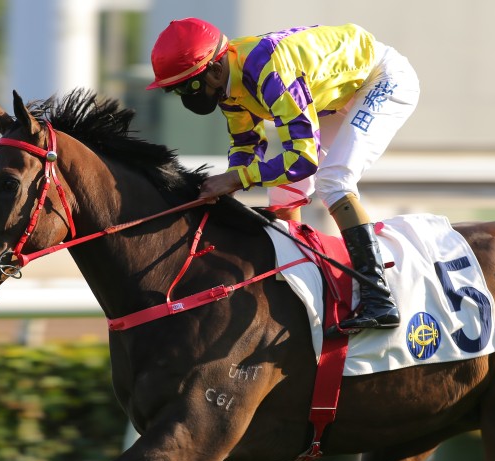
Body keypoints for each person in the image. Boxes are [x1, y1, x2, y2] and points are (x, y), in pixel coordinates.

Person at [146, 18, 420, 333]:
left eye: (188, 86)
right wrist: (227, 183)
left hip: (380, 79)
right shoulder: (228, 80)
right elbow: (246, 143)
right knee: (283, 193)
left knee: (333, 180)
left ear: (215, 70)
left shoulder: (269, 72)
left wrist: (236, 179)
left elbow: (302, 161)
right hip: (334, 97)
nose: (185, 97)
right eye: (176, 90)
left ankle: (379, 298)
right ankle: (298, 284)